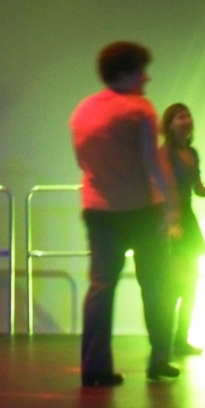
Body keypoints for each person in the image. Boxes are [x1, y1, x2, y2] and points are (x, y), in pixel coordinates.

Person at [70, 41, 181, 387]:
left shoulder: (82, 111)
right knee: (157, 286)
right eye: (140, 71)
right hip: (142, 211)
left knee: (102, 287)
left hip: (99, 210)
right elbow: (153, 164)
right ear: (124, 73)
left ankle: (94, 368)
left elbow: (82, 161)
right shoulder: (140, 109)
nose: (146, 78)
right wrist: (173, 208)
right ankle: (159, 359)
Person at [158, 103, 205, 356]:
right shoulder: (164, 153)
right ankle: (167, 339)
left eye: (188, 116)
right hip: (172, 219)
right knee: (175, 283)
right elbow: (162, 188)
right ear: (170, 125)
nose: (186, 120)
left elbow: (197, 188)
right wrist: (171, 220)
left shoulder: (191, 152)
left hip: (186, 218)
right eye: (180, 117)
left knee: (191, 282)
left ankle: (180, 338)